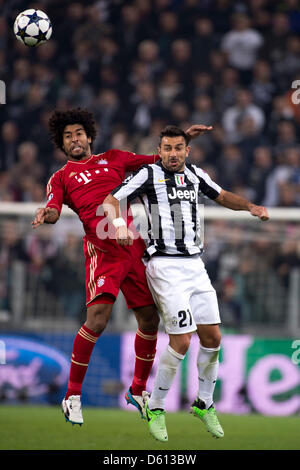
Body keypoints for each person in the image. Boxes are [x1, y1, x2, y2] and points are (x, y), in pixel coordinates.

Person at [31, 108, 209, 426]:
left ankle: (137, 390)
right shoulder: (60, 177)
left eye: (79, 133)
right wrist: (47, 214)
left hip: (132, 246)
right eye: (68, 135)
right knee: (97, 321)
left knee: (149, 319)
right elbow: (54, 207)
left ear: (89, 136)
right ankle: (72, 396)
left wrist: (184, 138)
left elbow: (157, 161)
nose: (74, 139)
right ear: (61, 142)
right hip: (103, 251)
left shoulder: (114, 157)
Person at [103, 125, 269, 442]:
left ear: (187, 150)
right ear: (160, 150)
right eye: (167, 148)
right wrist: (117, 224)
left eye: (179, 147)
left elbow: (221, 196)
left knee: (213, 337)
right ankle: (156, 406)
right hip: (164, 266)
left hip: (195, 265)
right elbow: (112, 200)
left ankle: (204, 403)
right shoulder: (147, 174)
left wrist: (250, 207)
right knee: (181, 341)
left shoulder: (194, 173)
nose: (173, 153)